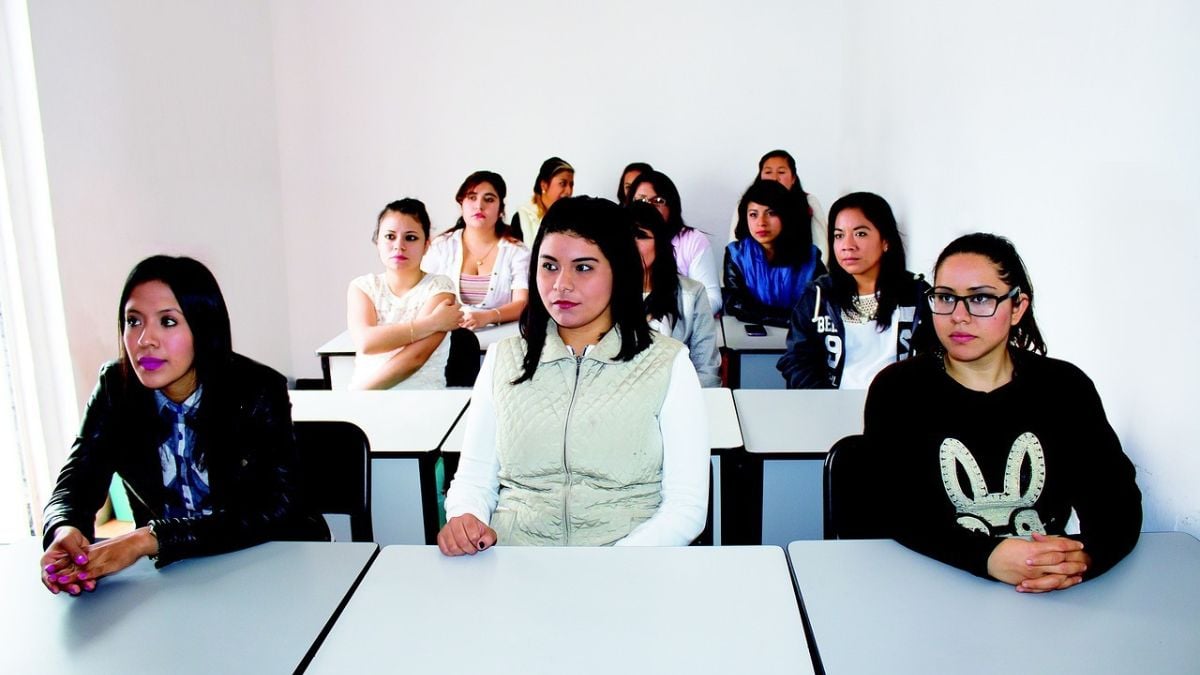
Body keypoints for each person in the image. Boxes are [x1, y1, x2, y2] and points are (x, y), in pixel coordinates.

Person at [862, 233, 1142, 591]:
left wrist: (1083, 558)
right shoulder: (899, 390)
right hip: (931, 586)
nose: (958, 317)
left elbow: (1115, 499)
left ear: (1018, 307)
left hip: (1044, 592)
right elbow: (892, 509)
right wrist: (987, 556)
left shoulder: (1065, 388)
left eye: (980, 299)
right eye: (945, 298)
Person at [40, 256, 328, 595]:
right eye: (133, 321)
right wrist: (64, 529)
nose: (146, 339)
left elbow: (276, 508)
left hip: (268, 561)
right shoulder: (115, 388)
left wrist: (151, 538)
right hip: (179, 575)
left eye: (168, 322)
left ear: (203, 328)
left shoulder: (256, 389)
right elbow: (76, 481)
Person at [438, 196, 709, 554]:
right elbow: (473, 479)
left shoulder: (668, 363)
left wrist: (610, 564)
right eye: (549, 266)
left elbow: (686, 507)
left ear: (620, 272)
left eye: (583, 268)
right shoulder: (504, 359)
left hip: (628, 564)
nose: (561, 284)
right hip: (517, 558)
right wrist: (465, 516)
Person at [777, 192, 929, 389]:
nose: (847, 246)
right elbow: (796, 360)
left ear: (886, 241)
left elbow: (936, 360)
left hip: (897, 412)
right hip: (833, 407)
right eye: (839, 235)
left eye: (860, 234)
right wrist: (824, 401)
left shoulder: (917, 295)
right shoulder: (818, 296)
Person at [348, 198, 461, 389]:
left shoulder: (440, 287)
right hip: (364, 398)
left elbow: (414, 359)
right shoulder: (362, 286)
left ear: (426, 245)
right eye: (390, 236)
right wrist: (432, 323)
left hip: (420, 399)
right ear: (377, 241)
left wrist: (362, 391)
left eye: (410, 238)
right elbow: (366, 342)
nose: (399, 246)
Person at [422, 171, 530, 329]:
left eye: (489, 199)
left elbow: (522, 304)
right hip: (447, 340)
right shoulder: (441, 246)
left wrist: (488, 316)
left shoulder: (517, 251)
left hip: (499, 342)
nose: (479, 206)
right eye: (472, 197)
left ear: (500, 209)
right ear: (462, 204)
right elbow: (421, 295)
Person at [630, 201, 721, 387]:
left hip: (678, 398)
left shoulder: (692, 293)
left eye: (641, 236)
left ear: (660, 242)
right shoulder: (603, 294)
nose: (631, 244)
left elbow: (706, 370)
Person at [723, 179, 825, 327]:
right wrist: (791, 319)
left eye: (771, 213)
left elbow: (820, 306)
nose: (761, 222)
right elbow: (737, 305)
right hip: (752, 338)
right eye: (753, 214)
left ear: (786, 215)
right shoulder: (736, 254)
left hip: (802, 338)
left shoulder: (809, 256)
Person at [629, 170, 722, 312]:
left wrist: (675, 322)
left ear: (672, 206)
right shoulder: (619, 237)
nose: (649, 207)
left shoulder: (693, 240)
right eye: (641, 200)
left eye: (658, 201)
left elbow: (712, 299)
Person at [728, 149, 829, 262]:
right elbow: (734, 246)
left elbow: (822, 249)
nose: (774, 178)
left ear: (793, 178)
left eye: (781, 172)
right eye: (768, 172)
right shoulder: (745, 204)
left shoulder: (809, 202)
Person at [511, 156, 574, 246]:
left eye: (571, 185)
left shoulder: (573, 218)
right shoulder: (522, 218)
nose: (569, 191)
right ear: (544, 185)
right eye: (562, 184)